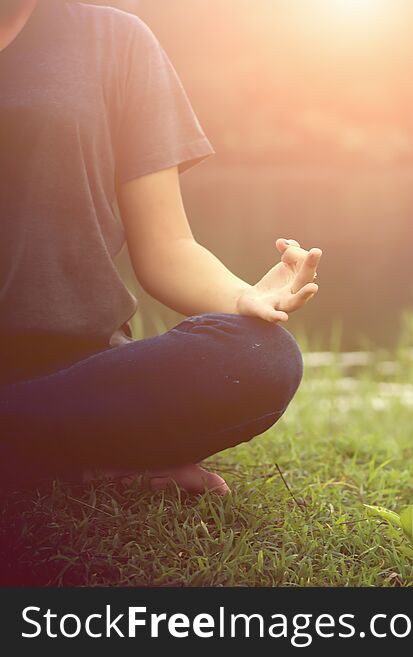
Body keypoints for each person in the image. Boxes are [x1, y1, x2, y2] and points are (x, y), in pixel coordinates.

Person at [0, 0, 321, 495]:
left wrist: (244, 297)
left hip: (75, 374)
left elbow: (167, 246)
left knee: (260, 357)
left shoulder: (115, 40)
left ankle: (26, 444)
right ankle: (63, 460)